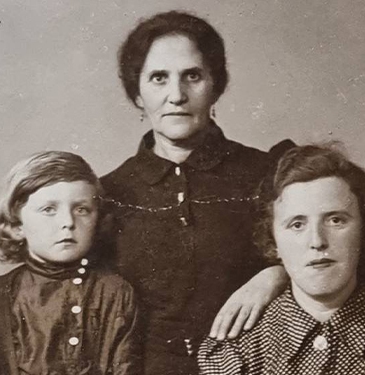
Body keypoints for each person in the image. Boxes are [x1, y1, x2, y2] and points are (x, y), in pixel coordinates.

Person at [100, 10, 293, 374]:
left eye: (193, 76)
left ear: (215, 84)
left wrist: (280, 274)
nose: (176, 95)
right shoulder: (110, 192)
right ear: (136, 93)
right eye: (158, 78)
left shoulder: (268, 174)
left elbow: (346, 268)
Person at [198, 144, 365, 374]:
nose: (317, 241)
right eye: (297, 224)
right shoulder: (240, 351)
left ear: (364, 231)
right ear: (274, 241)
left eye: (336, 220)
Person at [0, 151, 142, 375]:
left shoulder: (116, 293)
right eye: (49, 210)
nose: (68, 222)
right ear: (16, 225)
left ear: (98, 219)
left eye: (82, 210)